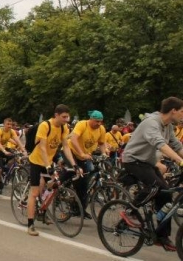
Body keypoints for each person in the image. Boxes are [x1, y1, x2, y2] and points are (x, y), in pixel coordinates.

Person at [120, 97, 183, 251]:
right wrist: (180, 161)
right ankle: (129, 212)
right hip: (132, 160)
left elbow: (176, 145)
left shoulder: (167, 125)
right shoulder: (151, 123)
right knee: (155, 187)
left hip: (147, 162)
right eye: (182, 111)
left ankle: (161, 236)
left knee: (166, 194)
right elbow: (159, 144)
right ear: (173, 110)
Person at [26, 104, 79, 236]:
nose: (67, 119)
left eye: (68, 117)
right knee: (34, 192)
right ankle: (30, 224)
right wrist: (48, 167)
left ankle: (42, 211)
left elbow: (66, 147)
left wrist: (74, 164)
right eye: (64, 117)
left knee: (54, 186)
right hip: (36, 161)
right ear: (56, 115)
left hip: (48, 161)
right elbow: (42, 148)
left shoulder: (64, 128)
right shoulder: (45, 125)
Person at [64, 110, 108, 219]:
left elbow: (102, 143)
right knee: (73, 173)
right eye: (97, 121)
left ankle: (80, 209)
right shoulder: (82, 124)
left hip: (85, 156)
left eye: (100, 122)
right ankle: (60, 189)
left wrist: (104, 153)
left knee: (84, 184)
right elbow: (74, 139)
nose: (99, 124)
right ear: (91, 119)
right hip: (71, 152)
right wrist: (81, 153)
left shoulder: (101, 129)